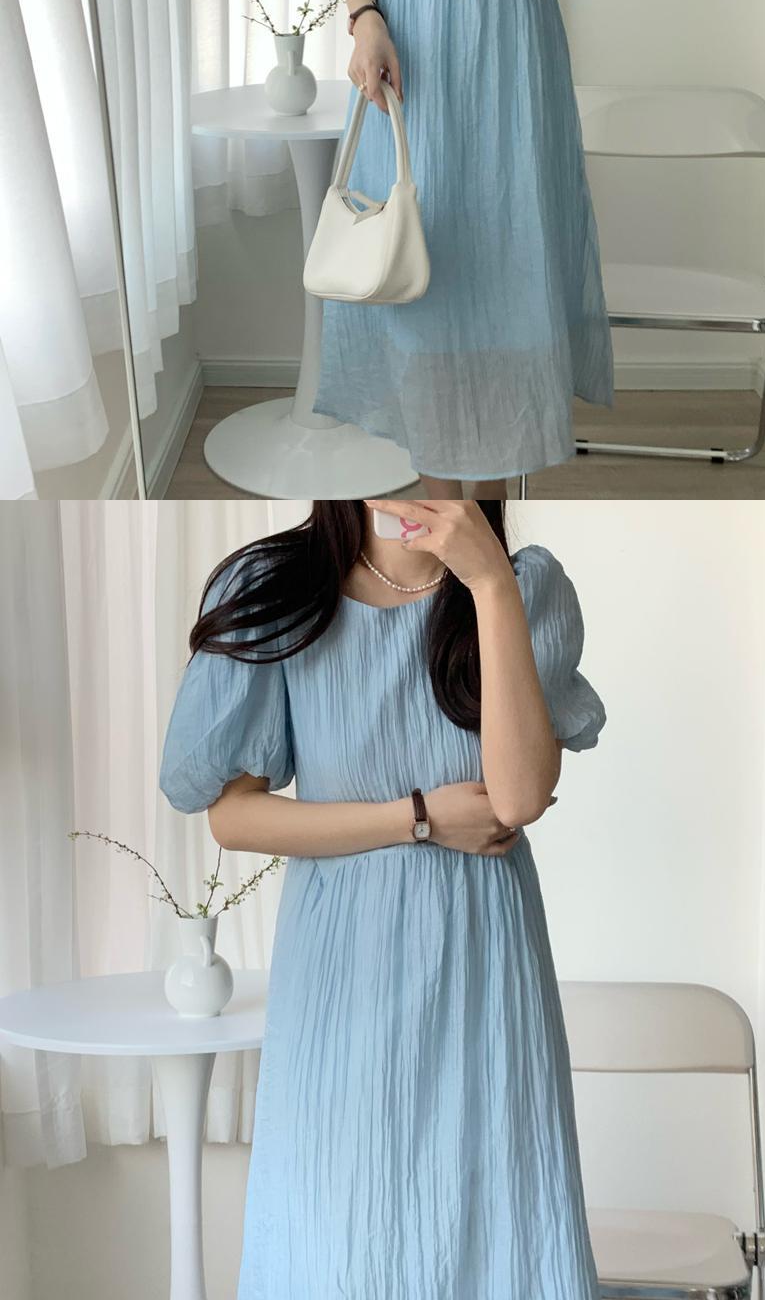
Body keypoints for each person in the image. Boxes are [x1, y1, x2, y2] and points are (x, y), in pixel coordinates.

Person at [160, 494, 605, 1300]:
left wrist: (488, 582)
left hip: (483, 969)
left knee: (495, 1226)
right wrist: (419, 817)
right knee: (337, 1238)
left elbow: (519, 796)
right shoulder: (279, 586)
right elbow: (231, 816)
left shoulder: (522, 585)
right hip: (344, 970)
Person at [299, 0, 625, 478]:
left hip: (513, 58)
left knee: (510, 263)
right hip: (407, 56)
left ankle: (489, 494)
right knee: (423, 267)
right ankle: (445, 485)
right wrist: (365, 19)